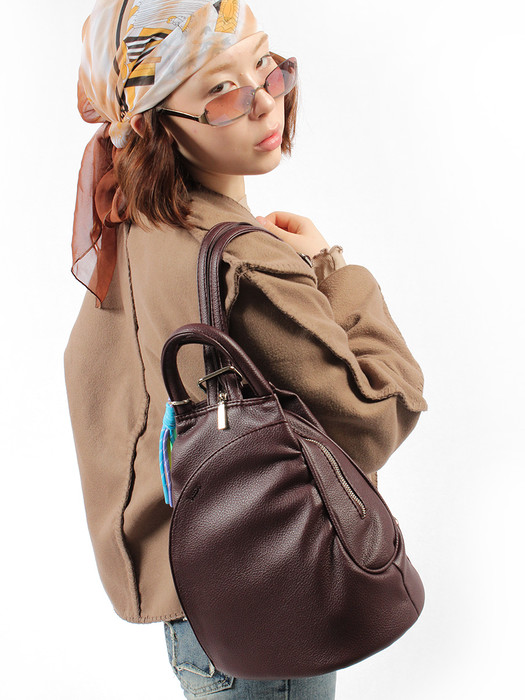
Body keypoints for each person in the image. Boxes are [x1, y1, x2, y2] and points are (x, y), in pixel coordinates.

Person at [64, 1, 428, 698]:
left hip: (192, 601)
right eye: (222, 90)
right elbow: (376, 417)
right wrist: (330, 269)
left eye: (265, 66)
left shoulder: (132, 225)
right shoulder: (244, 262)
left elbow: (94, 383)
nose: (265, 103)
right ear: (157, 123)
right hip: (268, 602)